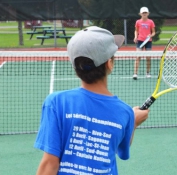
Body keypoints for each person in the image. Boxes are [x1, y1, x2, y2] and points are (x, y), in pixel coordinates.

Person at [34, 26, 149, 175]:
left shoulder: (56, 103)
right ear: (109, 64)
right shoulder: (125, 112)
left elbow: (49, 164)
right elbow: (120, 150)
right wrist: (133, 122)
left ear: (76, 69)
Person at [133, 6, 156, 80]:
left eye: (145, 13)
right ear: (140, 14)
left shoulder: (151, 22)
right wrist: (136, 37)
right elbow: (136, 30)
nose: (144, 14)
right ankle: (135, 74)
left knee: (148, 58)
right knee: (138, 57)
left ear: (148, 13)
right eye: (143, 13)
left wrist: (151, 35)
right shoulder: (138, 22)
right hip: (140, 41)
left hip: (148, 41)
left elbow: (153, 32)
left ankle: (148, 73)